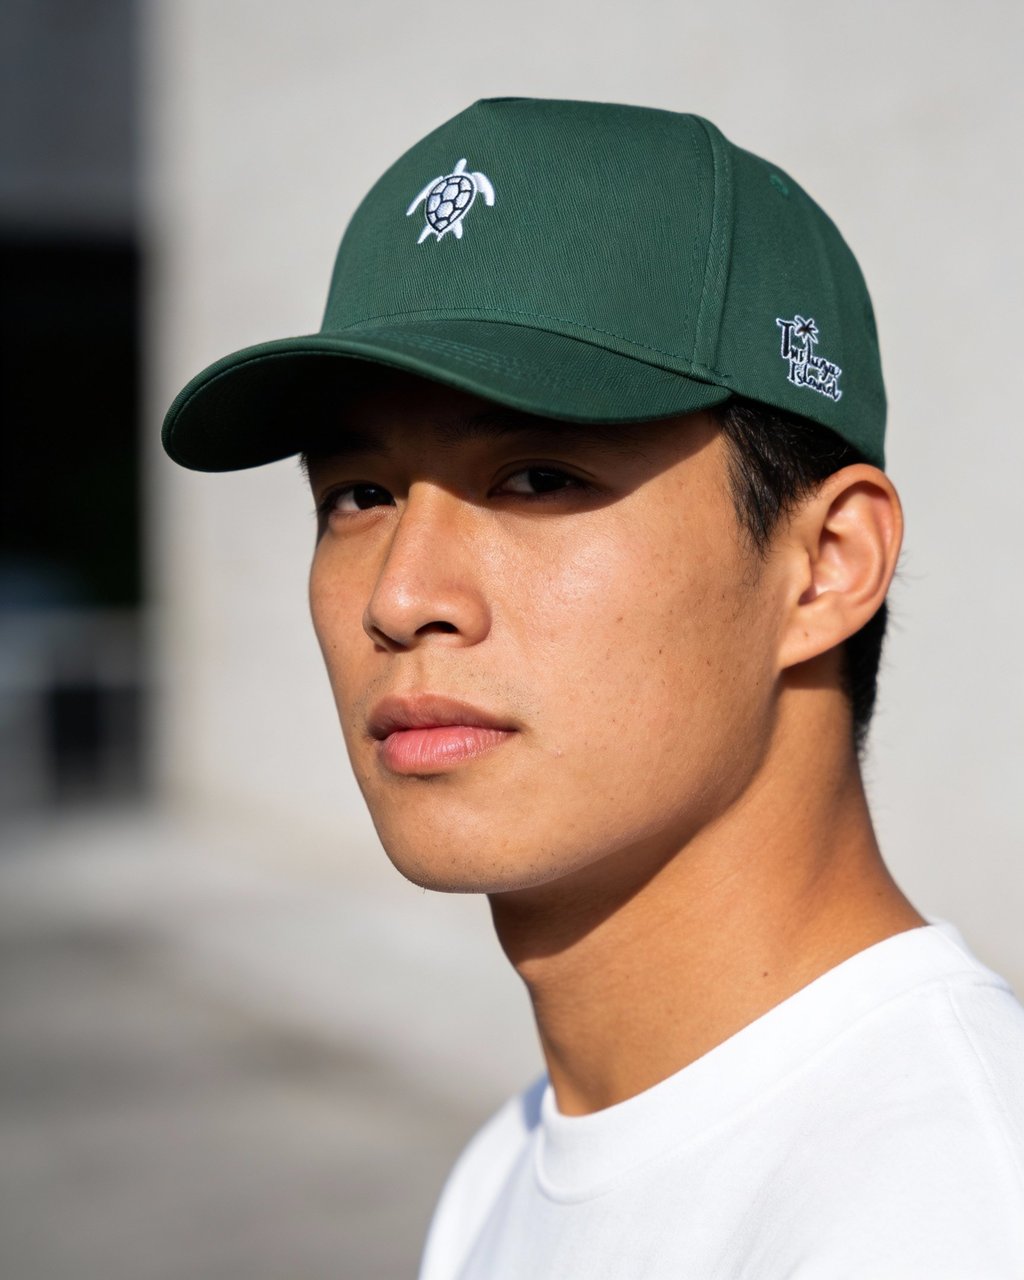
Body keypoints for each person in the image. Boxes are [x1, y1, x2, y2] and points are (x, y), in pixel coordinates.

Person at [163, 99, 1024, 1277]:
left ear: (826, 564)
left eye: (536, 476)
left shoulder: (951, 1207)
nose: (401, 596)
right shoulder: (507, 1166)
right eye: (359, 494)